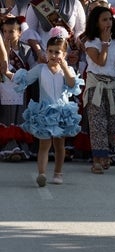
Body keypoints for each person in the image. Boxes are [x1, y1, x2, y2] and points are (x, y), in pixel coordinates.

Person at [2, 27, 84, 187]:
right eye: (50, 51)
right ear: (46, 52)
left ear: (64, 54)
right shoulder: (40, 69)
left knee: (60, 145)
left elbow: (73, 84)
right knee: (44, 145)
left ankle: (58, 172)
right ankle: (42, 174)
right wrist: (7, 73)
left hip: (62, 111)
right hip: (45, 112)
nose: (53, 55)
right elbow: (24, 78)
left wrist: (66, 67)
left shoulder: (67, 70)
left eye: (57, 52)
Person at [83, 6, 115, 174]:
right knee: (97, 124)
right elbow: (100, 62)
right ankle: (97, 160)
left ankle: (106, 155)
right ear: (96, 23)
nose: (108, 23)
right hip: (96, 88)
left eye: (110, 19)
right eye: (104, 20)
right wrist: (105, 44)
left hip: (112, 87)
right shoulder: (91, 42)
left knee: (111, 124)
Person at [0, 17, 36, 161]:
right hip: (3, 88)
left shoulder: (26, 49)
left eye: (11, 31)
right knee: (6, 116)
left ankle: (21, 148)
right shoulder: (1, 49)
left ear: (19, 32)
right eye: (5, 32)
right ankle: (8, 147)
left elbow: (33, 68)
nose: (8, 35)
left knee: (20, 116)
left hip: (21, 88)